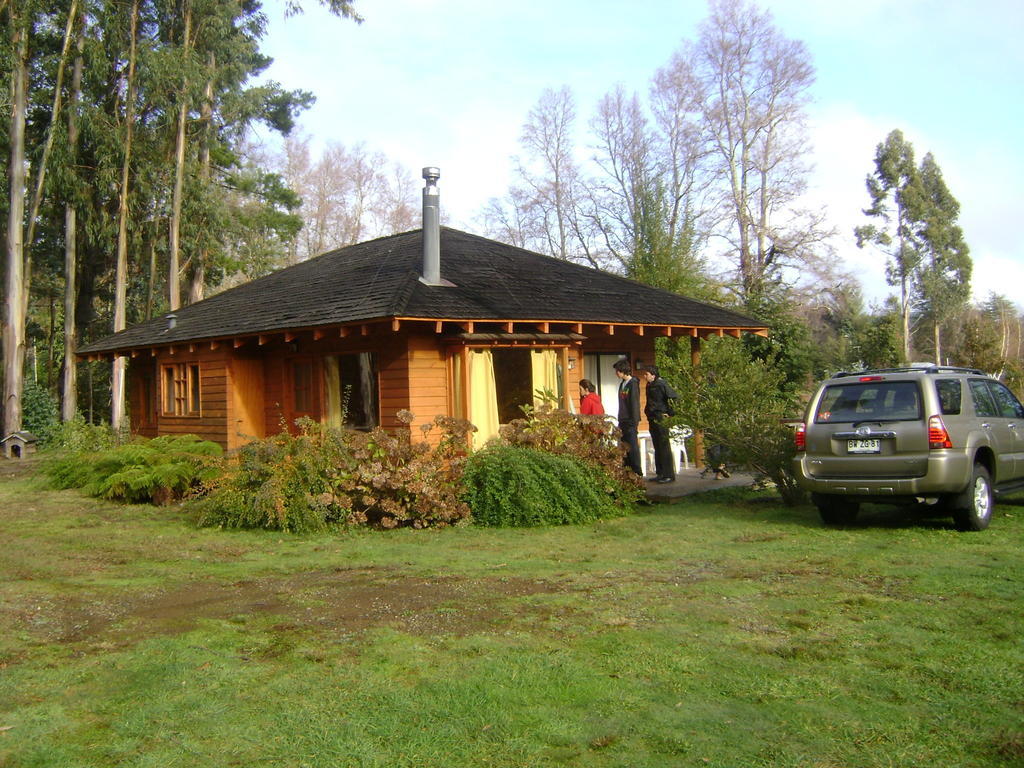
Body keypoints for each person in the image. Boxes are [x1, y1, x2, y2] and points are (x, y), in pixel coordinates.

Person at [640, 365, 677, 484]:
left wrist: (670, 413)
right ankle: (660, 472)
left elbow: (674, 398)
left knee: (664, 445)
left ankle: (668, 474)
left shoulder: (662, 384)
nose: (645, 377)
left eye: (647, 374)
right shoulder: (649, 385)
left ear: (653, 375)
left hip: (661, 417)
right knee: (656, 445)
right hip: (652, 418)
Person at [613, 359, 643, 476]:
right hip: (623, 420)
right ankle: (627, 471)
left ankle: (637, 472)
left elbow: (634, 403)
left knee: (633, 447)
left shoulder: (633, 383)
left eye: (617, 371)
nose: (616, 373)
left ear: (622, 370)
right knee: (624, 446)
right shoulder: (622, 384)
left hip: (630, 421)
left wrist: (634, 422)